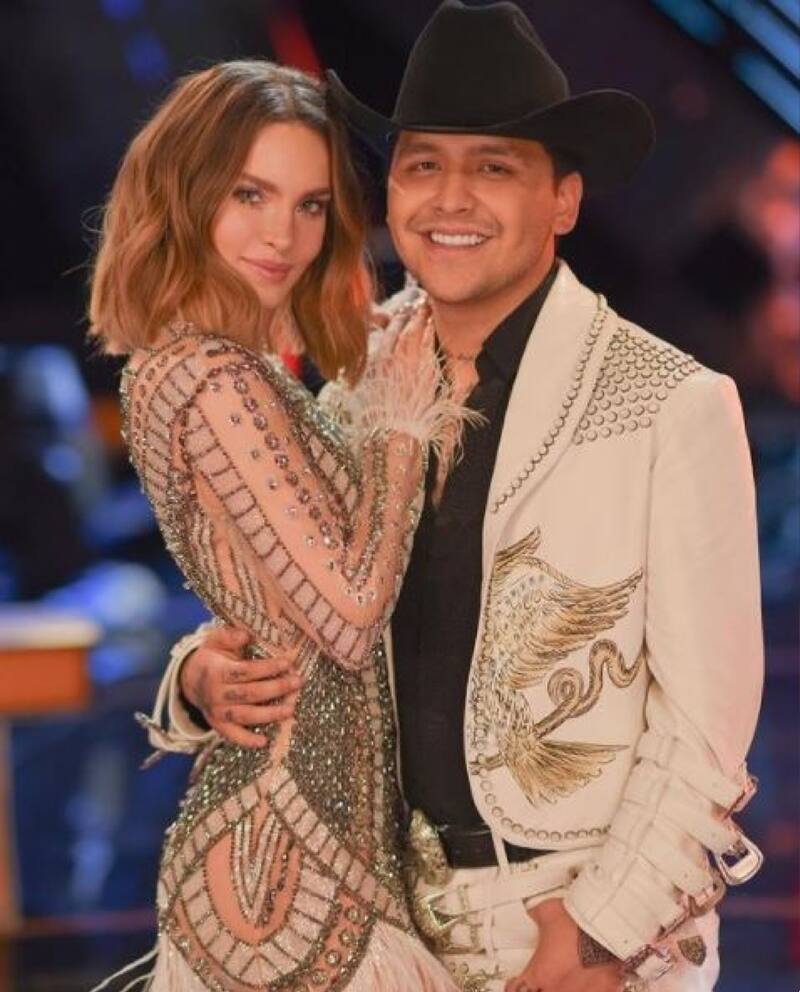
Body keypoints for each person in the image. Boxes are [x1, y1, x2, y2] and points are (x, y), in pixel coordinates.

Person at [152, 4, 765, 991]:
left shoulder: (667, 403)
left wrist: (600, 935)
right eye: (422, 164)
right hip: (378, 921)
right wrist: (197, 679)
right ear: (391, 189)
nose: (450, 198)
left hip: (581, 918)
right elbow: (287, 605)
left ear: (563, 200)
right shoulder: (355, 386)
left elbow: (706, 732)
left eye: (493, 167)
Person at [88, 58, 465, 990]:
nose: (282, 235)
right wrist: (402, 427)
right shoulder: (212, 379)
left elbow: (267, 590)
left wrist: (199, 665)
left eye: (310, 205)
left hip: (320, 848)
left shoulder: (225, 369)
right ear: (185, 192)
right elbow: (349, 615)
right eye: (250, 194)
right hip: (281, 868)